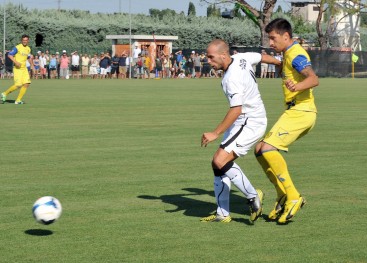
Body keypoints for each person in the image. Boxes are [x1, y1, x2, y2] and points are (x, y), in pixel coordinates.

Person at [200, 39, 280, 223]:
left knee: (219, 160)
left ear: (223, 55)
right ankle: (222, 213)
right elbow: (262, 57)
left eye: (211, 57)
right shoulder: (242, 57)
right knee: (218, 164)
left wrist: (215, 133)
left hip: (249, 121)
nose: (208, 61)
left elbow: (236, 109)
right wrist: (281, 63)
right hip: (247, 119)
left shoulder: (231, 79)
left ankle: (253, 196)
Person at [254, 18, 319, 224]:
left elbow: (313, 79)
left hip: (302, 111)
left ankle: (293, 196)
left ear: (286, 36)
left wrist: (296, 88)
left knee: (267, 149)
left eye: (273, 38)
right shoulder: (288, 53)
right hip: (295, 111)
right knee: (259, 150)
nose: (271, 43)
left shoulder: (296, 54)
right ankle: (282, 195)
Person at [1, 34, 33, 104]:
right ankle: (4, 94)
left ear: (28, 41)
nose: (25, 41)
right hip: (17, 69)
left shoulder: (28, 48)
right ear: (21, 40)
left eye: (26, 40)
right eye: (23, 40)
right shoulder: (17, 47)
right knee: (18, 85)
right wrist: (16, 62)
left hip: (24, 69)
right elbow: (9, 55)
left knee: (27, 84)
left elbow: (28, 57)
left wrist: (32, 65)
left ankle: (18, 100)